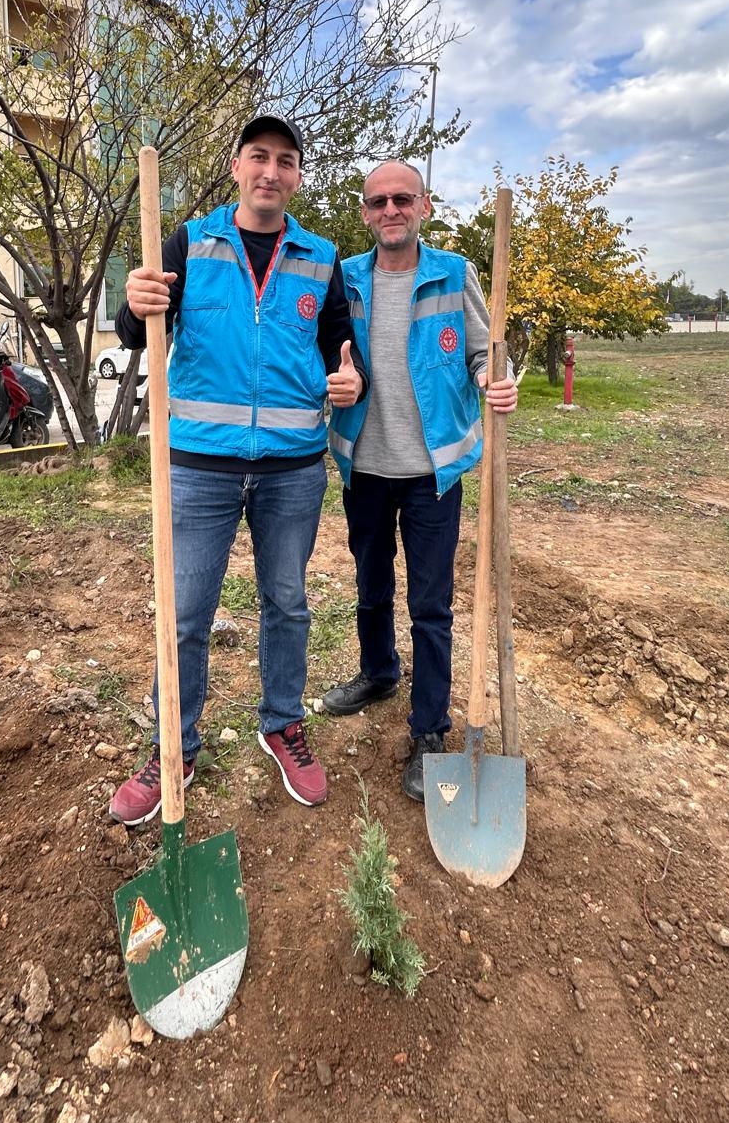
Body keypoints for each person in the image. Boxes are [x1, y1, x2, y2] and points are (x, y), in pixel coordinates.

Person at [107, 113, 367, 825]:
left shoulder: (321, 257)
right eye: (260, 157)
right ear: (236, 166)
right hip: (199, 467)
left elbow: (341, 349)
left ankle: (282, 723)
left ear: (298, 176)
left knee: (287, 603)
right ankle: (173, 747)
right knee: (187, 615)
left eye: (286, 161)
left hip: (292, 470)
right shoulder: (191, 240)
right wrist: (135, 302)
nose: (272, 172)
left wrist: (350, 380)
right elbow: (139, 329)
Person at [325, 160, 517, 801]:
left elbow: (484, 349)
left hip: (434, 473)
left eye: (401, 199)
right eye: (377, 201)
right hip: (366, 466)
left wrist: (494, 374)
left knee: (430, 606)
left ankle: (429, 728)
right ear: (365, 213)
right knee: (371, 586)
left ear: (424, 206)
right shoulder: (345, 280)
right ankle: (379, 672)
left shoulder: (454, 274)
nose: (390, 210)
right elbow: (325, 355)